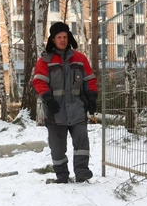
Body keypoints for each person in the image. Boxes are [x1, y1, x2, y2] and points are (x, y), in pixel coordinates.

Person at [32, 22, 98, 183]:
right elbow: (39, 82)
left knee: (81, 140)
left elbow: (90, 79)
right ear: (53, 40)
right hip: (56, 111)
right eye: (59, 37)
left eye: (65, 37)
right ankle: (62, 175)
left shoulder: (80, 58)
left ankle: (82, 170)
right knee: (57, 147)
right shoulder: (45, 61)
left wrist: (91, 97)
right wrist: (47, 98)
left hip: (77, 109)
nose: (62, 40)